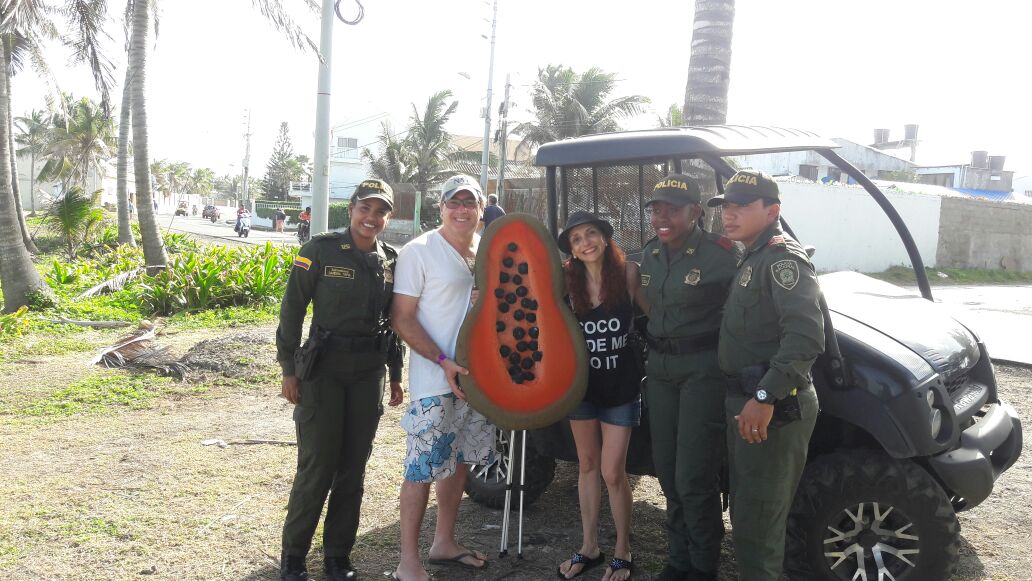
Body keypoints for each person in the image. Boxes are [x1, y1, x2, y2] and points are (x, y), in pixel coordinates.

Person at [275, 178, 406, 581]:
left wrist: (396, 374)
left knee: (353, 467)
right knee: (318, 465)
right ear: (350, 209)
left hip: (368, 375)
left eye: (381, 211)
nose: (372, 217)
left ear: (389, 217)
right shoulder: (319, 250)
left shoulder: (391, 259)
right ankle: (294, 557)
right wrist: (288, 369)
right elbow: (292, 311)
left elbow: (393, 322)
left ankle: (337, 557)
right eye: (365, 208)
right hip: (324, 372)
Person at [707, 170, 824, 581]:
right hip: (750, 403)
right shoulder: (753, 256)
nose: (729, 214)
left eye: (742, 206)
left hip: (772, 408)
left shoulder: (781, 259)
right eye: (726, 206)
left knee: (757, 526)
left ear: (772, 210)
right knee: (748, 514)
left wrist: (764, 396)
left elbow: (806, 337)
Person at [390, 174, 497, 581]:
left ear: (481, 208)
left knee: (460, 462)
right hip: (436, 381)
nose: (461, 210)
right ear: (441, 207)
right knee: (420, 469)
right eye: (454, 202)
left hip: (477, 383)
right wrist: (441, 360)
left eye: (469, 202)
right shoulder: (420, 251)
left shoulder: (487, 252)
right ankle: (407, 563)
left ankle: (444, 543)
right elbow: (402, 317)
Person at [638, 174, 741, 581]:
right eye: (656, 209)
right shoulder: (649, 255)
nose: (662, 217)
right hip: (660, 371)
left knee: (694, 475)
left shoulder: (722, 255)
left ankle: (701, 566)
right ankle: (677, 560)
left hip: (702, 371)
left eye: (673, 210)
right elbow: (645, 303)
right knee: (667, 471)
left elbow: (748, 307)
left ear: (695, 212)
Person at [555, 211, 641, 581]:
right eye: (576, 239)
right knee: (587, 465)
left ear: (605, 238)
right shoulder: (565, 280)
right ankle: (589, 546)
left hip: (621, 387)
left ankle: (623, 550)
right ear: (571, 250)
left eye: (591, 234)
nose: (585, 242)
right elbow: (529, 301)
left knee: (612, 471)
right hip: (583, 388)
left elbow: (656, 314)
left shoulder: (628, 273)